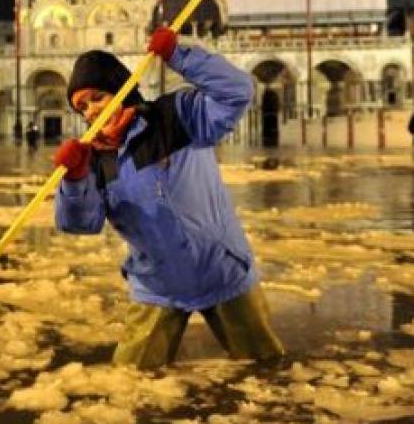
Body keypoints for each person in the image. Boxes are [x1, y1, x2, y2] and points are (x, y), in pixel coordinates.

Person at [52, 27, 284, 369]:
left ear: (121, 92)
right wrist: (73, 181)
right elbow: (81, 223)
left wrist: (181, 56)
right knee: (131, 380)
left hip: (220, 271)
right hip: (157, 286)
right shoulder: (96, 160)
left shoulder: (176, 115)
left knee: (266, 370)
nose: (90, 112)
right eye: (81, 107)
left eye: (97, 98)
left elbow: (237, 92)